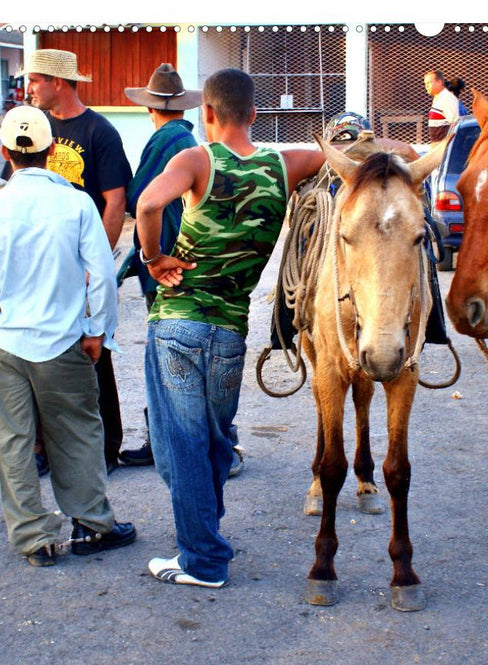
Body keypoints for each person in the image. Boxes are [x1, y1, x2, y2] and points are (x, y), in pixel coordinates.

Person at [136, 68, 326, 588]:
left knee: (181, 444)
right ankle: (206, 535)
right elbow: (348, 152)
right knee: (215, 441)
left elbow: (149, 203)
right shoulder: (282, 164)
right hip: (230, 333)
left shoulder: (198, 159)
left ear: (209, 115)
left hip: (178, 325)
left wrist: (153, 258)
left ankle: (202, 559)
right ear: (256, 115)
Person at [0, 106, 136, 567]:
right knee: (78, 431)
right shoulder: (77, 204)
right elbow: (101, 275)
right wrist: (99, 331)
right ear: (53, 151)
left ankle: (33, 539)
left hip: (7, 344)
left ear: (4, 153)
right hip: (62, 341)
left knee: (13, 441)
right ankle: (92, 525)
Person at [14, 48, 133, 474]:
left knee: (94, 350)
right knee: (38, 351)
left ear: (57, 82)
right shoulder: (32, 128)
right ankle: (44, 450)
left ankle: (107, 448)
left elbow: (115, 199)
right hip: (40, 263)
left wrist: (94, 262)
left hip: (81, 263)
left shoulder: (98, 130)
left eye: (35, 80)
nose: (29, 89)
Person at [114, 63, 204, 469]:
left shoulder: (164, 140)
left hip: (163, 262)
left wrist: (148, 256)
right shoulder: (191, 142)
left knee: (164, 357)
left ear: (151, 109)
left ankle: (164, 442)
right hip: (190, 257)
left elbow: (140, 199)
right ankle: (200, 440)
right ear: (184, 108)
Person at [424, 70, 464, 142]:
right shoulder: (439, 98)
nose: (426, 86)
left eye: (429, 83)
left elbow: (456, 124)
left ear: (439, 82)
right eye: (425, 83)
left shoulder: (446, 99)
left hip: (445, 146)